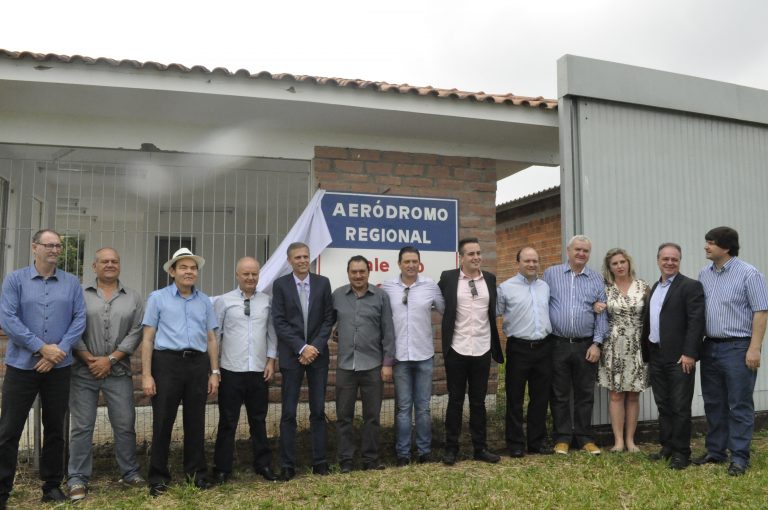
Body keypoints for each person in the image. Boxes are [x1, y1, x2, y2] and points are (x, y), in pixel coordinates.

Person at [0, 229, 86, 507]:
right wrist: (41, 347)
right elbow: (8, 319)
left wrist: (55, 353)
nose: (54, 250)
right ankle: (2, 490)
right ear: (34, 247)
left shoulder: (72, 283)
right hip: (20, 367)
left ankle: (51, 486)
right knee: (9, 430)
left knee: (55, 429)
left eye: (58, 246)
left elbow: (79, 320)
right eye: (49, 245)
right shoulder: (15, 280)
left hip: (59, 368)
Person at [67, 248, 145, 501]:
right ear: (94, 266)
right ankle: (77, 478)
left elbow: (137, 332)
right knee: (81, 426)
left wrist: (110, 359)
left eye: (114, 261)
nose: (110, 264)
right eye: (105, 261)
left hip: (118, 371)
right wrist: (88, 357)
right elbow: (70, 327)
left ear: (119, 266)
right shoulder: (79, 295)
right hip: (83, 370)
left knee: (124, 424)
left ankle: (130, 472)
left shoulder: (133, 297)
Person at [141, 247, 220, 496]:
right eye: (183, 267)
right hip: (167, 364)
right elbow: (147, 339)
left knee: (195, 421)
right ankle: (158, 477)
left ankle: (196, 474)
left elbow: (211, 339)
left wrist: (214, 371)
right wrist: (146, 374)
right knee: (163, 420)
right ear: (172, 272)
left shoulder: (205, 300)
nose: (189, 272)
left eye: (193, 268)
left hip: (197, 365)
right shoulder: (158, 298)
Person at [695, 227, 768, 476]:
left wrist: (754, 348)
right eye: (706, 242)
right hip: (710, 346)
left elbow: (761, 312)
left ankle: (739, 457)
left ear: (726, 248)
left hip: (738, 348)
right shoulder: (704, 274)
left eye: (711, 243)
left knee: (739, 404)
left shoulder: (749, 274)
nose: (706, 246)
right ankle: (716, 452)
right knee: (714, 402)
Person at [212, 257, 278, 483]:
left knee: (258, 420)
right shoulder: (224, 301)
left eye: (254, 274)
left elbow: (272, 333)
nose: (250, 278)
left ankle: (263, 465)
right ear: (237, 276)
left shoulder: (267, 301)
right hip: (231, 370)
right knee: (228, 421)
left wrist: (271, 361)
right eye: (246, 274)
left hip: (259, 370)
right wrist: (215, 369)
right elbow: (216, 336)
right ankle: (222, 469)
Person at [271, 242, 334, 481]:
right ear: (289, 261)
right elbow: (279, 321)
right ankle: (288, 465)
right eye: (297, 257)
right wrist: (301, 347)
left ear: (311, 259)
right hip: (292, 356)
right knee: (288, 412)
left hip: (317, 357)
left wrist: (314, 347)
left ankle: (320, 462)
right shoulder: (281, 285)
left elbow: (328, 319)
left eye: (306, 256)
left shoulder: (323, 283)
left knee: (318, 410)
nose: (302, 260)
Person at [438, 237, 504, 466]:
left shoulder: (490, 279)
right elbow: (438, 301)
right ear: (461, 257)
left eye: (478, 253)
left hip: (482, 348)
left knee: (479, 402)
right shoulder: (448, 278)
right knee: (455, 401)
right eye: (471, 254)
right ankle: (451, 449)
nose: (476, 257)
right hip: (457, 348)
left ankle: (480, 448)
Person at [640, 243, 705, 470]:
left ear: (680, 261)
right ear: (658, 260)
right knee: (664, 405)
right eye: (665, 259)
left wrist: (689, 353)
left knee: (679, 406)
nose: (669, 262)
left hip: (680, 358)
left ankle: (682, 453)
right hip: (656, 355)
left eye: (674, 259)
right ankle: (667, 447)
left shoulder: (691, 286)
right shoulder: (655, 288)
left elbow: (696, 324)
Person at [543, 234, 608, 455]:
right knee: (559, 393)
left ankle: (584, 438)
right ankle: (562, 438)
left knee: (584, 393)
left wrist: (597, 344)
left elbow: (602, 314)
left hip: (585, 345)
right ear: (568, 251)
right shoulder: (551, 274)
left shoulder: (596, 279)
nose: (581, 254)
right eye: (577, 250)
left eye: (585, 251)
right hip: (557, 344)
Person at [381, 246, 444, 466]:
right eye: (406, 261)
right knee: (403, 408)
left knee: (424, 407)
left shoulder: (430, 287)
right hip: (399, 358)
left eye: (414, 261)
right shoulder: (388, 288)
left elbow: (447, 310)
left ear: (420, 263)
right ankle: (403, 454)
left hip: (424, 355)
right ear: (399, 264)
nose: (410, 265)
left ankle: (425, 452)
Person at [332, 255, 395, 472]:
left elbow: (388, 332)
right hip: (345, 366)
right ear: (348, 273)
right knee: (343, 417)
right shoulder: (337, 296)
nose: (358, 275)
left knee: (372, 417)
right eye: (354, 272)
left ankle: (370, 459)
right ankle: (346, 461)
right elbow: (328, 324)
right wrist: (334, 333)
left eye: (362, 271)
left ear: (369, 272)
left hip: (373, 366)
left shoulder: (381, 297)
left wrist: (387, 363)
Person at [497, 247, 553, 458]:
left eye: (535, 261)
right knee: (515, 398)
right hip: (518, 348)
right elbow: (494, 312)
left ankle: (536, 442)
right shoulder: (505, 288)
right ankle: (515, 444)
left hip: (543, 347)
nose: (531, 264)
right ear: (518, 263)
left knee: (540, 397)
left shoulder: (545, 287)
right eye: (527, 261)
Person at [595, 248, 649, 453]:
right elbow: (598, 315)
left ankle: (630, 440)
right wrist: (595, 308)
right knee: (616, 394)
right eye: (615, 263)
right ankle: (618, 441)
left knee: (633, 395)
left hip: (637, 346)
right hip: (614, 346)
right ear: (610, 268)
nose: (619, 266)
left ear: (628, 263)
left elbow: (651, 315)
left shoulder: (643, 286)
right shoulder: (605, 289)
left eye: (622, 262)